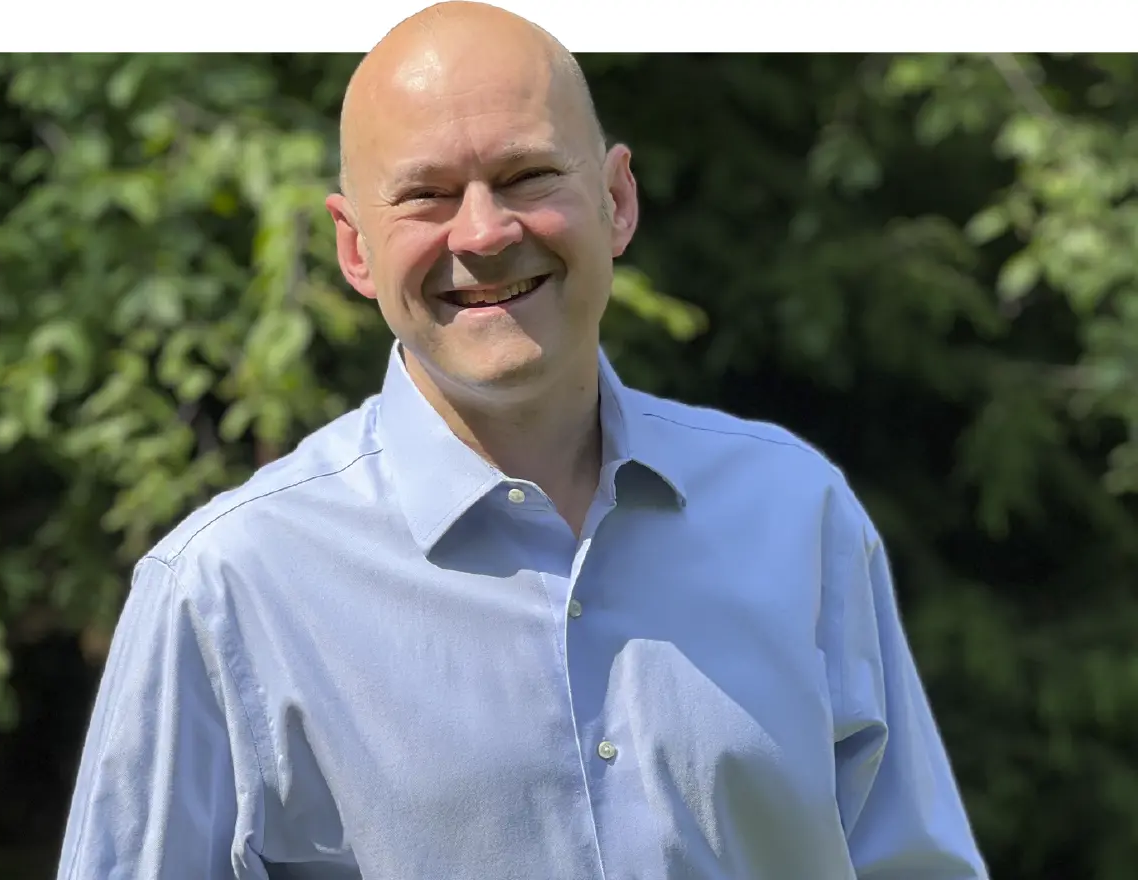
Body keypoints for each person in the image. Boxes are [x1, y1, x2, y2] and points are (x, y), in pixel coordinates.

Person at [55, 3, 989, 878]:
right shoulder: (226, 589)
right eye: (424, 195)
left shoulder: (794, 512)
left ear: (617, 199)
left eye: (527, 177)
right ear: (353, 249)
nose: (485, 231)